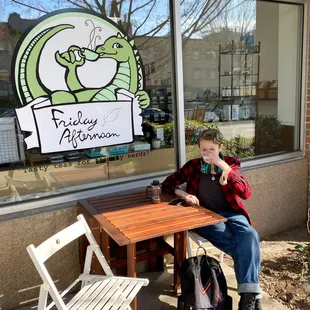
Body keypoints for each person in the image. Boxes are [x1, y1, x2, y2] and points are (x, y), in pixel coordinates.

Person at [161, 128, 262, 310]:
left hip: (232, 213)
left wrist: (224, 167)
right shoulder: (193, 166)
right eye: (203, 150)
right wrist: (184, 195)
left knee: (250, 235)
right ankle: (251, 298)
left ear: (220, 147)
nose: (207, 154)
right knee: (243, 248)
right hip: (204, 215)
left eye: (212, 150)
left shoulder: (231, 164)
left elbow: (246, 193)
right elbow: (167, 184)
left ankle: (248, 297)